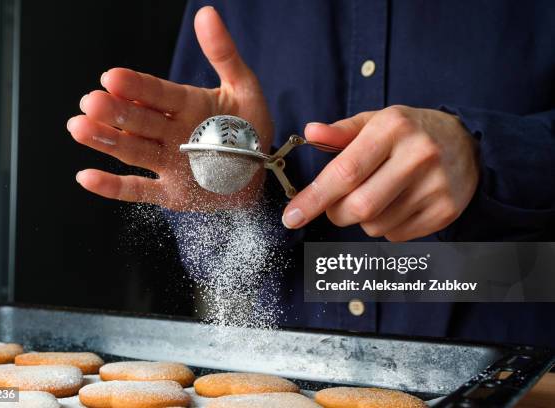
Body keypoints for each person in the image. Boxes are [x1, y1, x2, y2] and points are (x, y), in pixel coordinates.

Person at [67, 1, 555, 346]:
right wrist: (233, 193)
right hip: (294, 380)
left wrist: (487, 154)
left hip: (520, 365)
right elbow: (219, 260)